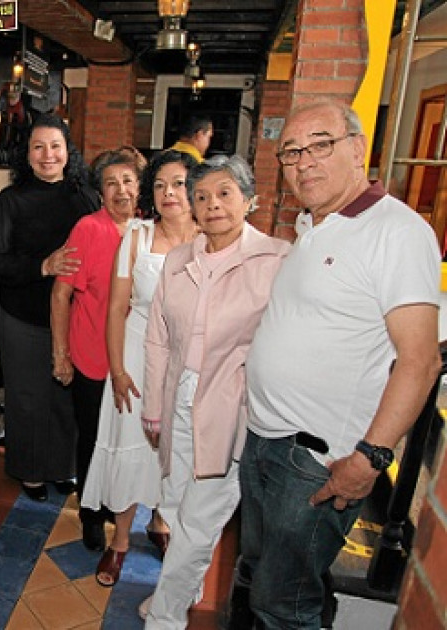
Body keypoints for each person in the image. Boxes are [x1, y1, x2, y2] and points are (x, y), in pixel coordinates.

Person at [235, 100, 441, 629]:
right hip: (265, 442)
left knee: (281, 605)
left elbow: (418, 362)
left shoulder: (396, 230)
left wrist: (371, 458)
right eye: (291, 153)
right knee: (273, 576)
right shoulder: (313, 226)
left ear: (357, 148)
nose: (304, 163)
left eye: (320, 145)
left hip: (316, 462)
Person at [139, 155, 291, 627]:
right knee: (173, 502)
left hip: (230, 404)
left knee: (200, 514)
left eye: (225, 193)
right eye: (201, 196)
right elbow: (158, 336)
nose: (212, 205)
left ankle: (165, 616)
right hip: (177, 393)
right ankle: (184, 586)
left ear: (249, 199)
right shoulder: (181, 259)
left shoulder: (277, 260)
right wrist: (153, 405)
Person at [82, 150, 200, 587]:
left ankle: (161, 524)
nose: (170, 193)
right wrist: (117, 370)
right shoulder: (136, 236)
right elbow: (116, 309)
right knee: (130, 445)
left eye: (180, 183)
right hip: (133, 353)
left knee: (173, 451)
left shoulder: (211, 239)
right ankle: (120, 542)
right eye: (160, 185)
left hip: (184, 362)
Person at [0, 113, 99, 503]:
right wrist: (44, 265)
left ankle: (62, 466)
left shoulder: (86, 197)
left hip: (77, 317)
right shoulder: (9, 201)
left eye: (55, 146)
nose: (47, 154)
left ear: (67, 152)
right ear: (27, 154)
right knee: (28, 397)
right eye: (38, 146)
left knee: (66, 396)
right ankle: (30, 470)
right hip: (23, 315)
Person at [50, 147, 145, 551]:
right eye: (111, 183)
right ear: (100, 192)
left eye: (128, 181)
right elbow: (60, 294)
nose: (121, 190)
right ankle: (90, 513)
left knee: (124, 438)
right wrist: (60, 353)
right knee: (91, 438)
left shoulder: (148, 232)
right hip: (91, 356)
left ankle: (112, 503)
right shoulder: (89, 229)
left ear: (140, 187)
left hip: (133, 358)